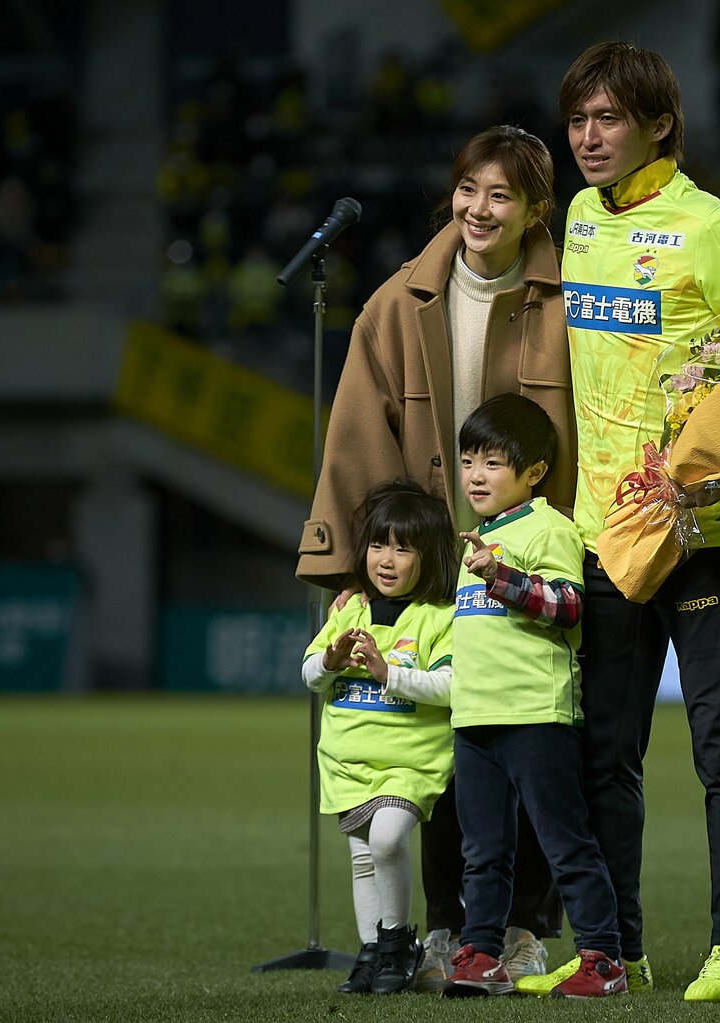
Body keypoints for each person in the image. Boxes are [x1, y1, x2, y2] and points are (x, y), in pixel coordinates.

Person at [518, 41, 720, 1002]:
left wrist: (708, 478)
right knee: (603, 755)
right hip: (604, 532)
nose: (587, 139)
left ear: (659, 123)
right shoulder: (580, 218)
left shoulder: (718, 232)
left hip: (705, 534)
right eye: (579, 120)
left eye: (608, 120)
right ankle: (615, 953)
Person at [295, 124, 573, 988]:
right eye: (467, 189)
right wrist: (356, 569)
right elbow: (353, 443)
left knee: (531, 755)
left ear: (535, 210)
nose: (478, 208)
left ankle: (526, 927)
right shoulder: (394, 303)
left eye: (500, 194)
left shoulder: (574, 299)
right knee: (447, 760)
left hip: (531, 568)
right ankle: (455, 929)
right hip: (436, 568)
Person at [440, 393, 625, 1000]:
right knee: (482, 853)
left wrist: (503, 578)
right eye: (469, 460)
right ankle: (482, 955)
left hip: (536, 716)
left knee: (565, 843)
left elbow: (571, 607)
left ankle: (602, 958)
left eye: (493, 463)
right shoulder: (476, 539)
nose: (475, 475)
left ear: (534, 473)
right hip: (475, 719)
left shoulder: (548, 527)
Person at [301, 479, 459, 995]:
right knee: (363, 857)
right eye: (377, 545)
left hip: (410, 762)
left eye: (403, 548)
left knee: (388, 838)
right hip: (349, 762)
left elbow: (452, 686)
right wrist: (329, 659)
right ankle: (373, 953)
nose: (386, 559)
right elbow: (308, 673)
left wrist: (388, 672)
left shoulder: (440, 617)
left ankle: (397, 943)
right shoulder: (349, 610)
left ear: (429, 556)